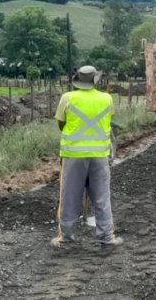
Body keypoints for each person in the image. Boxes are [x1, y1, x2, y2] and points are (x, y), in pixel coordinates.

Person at [51, 65, 123, 250]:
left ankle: (66, 240)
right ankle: (107, 238)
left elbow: (61, 124)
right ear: (95, 81)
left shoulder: (67, 98)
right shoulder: (106, 99)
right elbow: (106, 121)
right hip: (99, 155)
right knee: (101, 197)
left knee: (69, 198)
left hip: (73, 155)